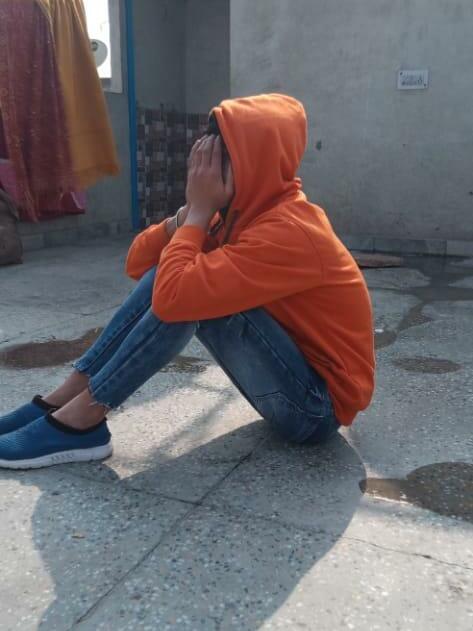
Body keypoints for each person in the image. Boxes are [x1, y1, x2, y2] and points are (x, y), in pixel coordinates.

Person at [0, 94, 375, 469]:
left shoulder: (289, 231)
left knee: (188, 293)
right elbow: (138, 264)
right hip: (291, 383)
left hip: (314, 409)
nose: (203, 172)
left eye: (216, 160)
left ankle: (83, 420)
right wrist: (187, 215)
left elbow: (172, 300)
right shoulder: (238, 215)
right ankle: (65, 398)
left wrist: (199, 213)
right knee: (173, 273)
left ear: (255, 163)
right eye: (202, 159)